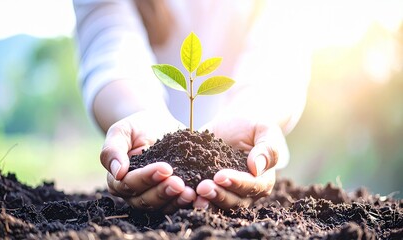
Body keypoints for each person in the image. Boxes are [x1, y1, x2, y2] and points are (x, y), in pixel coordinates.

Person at [72, 0, 311, 213]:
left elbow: (282, 54)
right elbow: (110, 48)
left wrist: (253, 114)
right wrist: (141, 115)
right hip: (152, 146)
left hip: (239, 148)